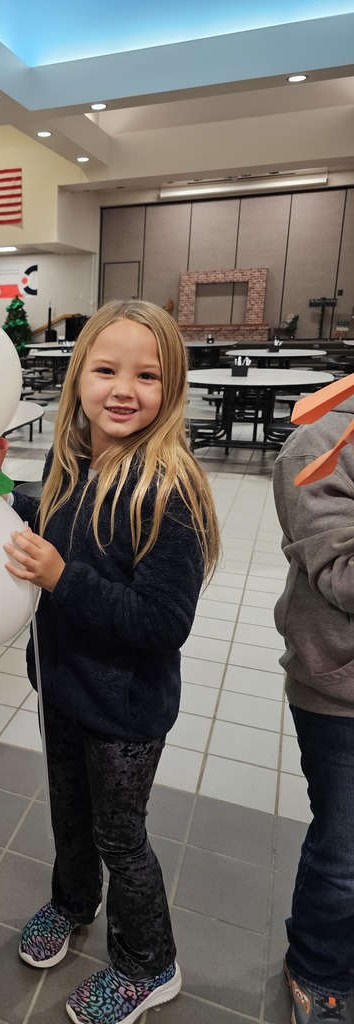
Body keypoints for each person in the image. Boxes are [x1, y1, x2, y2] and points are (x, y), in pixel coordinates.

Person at [4, 300, 220, 1024]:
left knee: (120, 838)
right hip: (62, 685)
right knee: (68, 811)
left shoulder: (169, 491)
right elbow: (53, 522)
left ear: (172, 386)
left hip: (125, 711)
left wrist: (62, 578)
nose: (124, 389)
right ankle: (73, 902)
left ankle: (149, 964)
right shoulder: (71, 462)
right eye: (105, 370)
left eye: (147, 375)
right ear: (78, 380)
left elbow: (164, 623)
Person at [273, 395, 354, 1024]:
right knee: (345, 854)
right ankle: (317, 966)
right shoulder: (321, 442)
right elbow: (341, 577)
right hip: (340, 694)